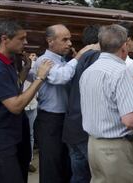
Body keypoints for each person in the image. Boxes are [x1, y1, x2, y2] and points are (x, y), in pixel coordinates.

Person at [80, 24, 133, 183]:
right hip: (117, 150)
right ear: (124, 46)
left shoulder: (88, 71)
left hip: (93, 146)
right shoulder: (120, 72)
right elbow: (130, 120)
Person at [0, 20, 52, 183]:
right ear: (5, 39)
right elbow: (15, 106)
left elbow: (12, 89)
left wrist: (26, 69)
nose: (25, 43)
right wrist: (40, 77)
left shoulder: (5, 62)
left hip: (9, 136)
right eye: (21, 39)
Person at [32, 24, 96, 183]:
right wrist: (78, 58)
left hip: (65, 119)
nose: (69, 43)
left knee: (66, 163)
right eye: (65, 39)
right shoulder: (44, 61)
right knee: (52, 165)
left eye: (70, 39)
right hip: (50, 120)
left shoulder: (63, 60)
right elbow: (60, 77)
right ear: (50, 41)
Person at [62, 24, 101, 183]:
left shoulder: (76, 58)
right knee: (96, 175)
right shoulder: (95, 57)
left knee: (78, 175)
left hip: (72, 124)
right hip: (86, 127)